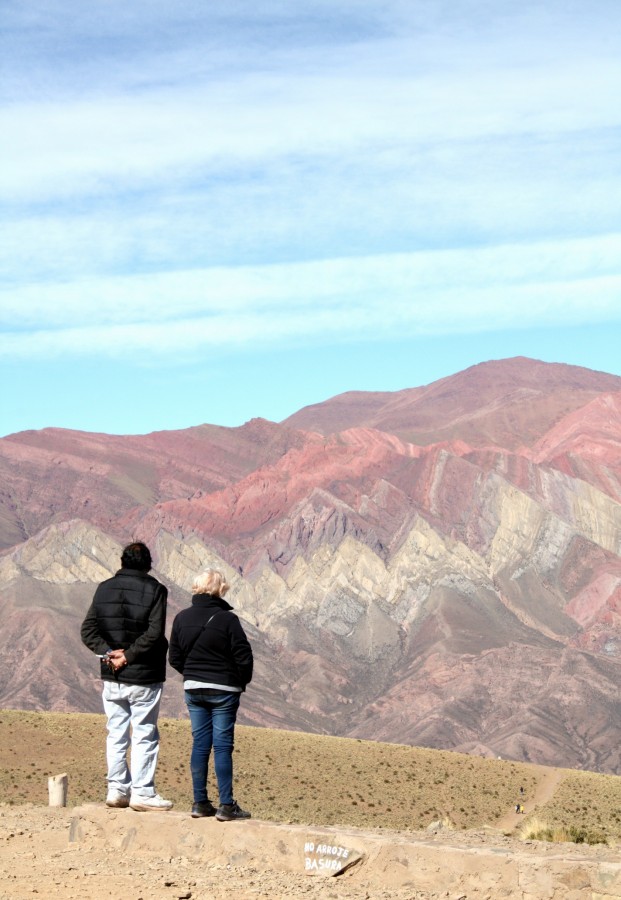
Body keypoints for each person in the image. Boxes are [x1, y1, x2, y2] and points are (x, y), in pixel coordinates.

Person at [81, 541, 173, 812]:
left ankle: (117, 790)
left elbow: (88, 631)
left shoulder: (103, 588)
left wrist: (110, 653)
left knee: (116, 732)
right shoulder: (156, 590)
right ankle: (143, 792)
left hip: (112, 676)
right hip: (144, 676)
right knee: (144, 732)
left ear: (122, 562)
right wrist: (129, 656)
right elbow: (154, 633)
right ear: (148, 564)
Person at [169, 568, 253, 821]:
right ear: (220, 590)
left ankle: (199, 803)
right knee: (223, 746)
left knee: (200, 744)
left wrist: (193, 673)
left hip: (194, 689)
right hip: (224, 690)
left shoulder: (181, 618)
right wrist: (239, 681)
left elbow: (174, 657)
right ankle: (226, 806)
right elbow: (244, 657)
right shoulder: (227, 620)